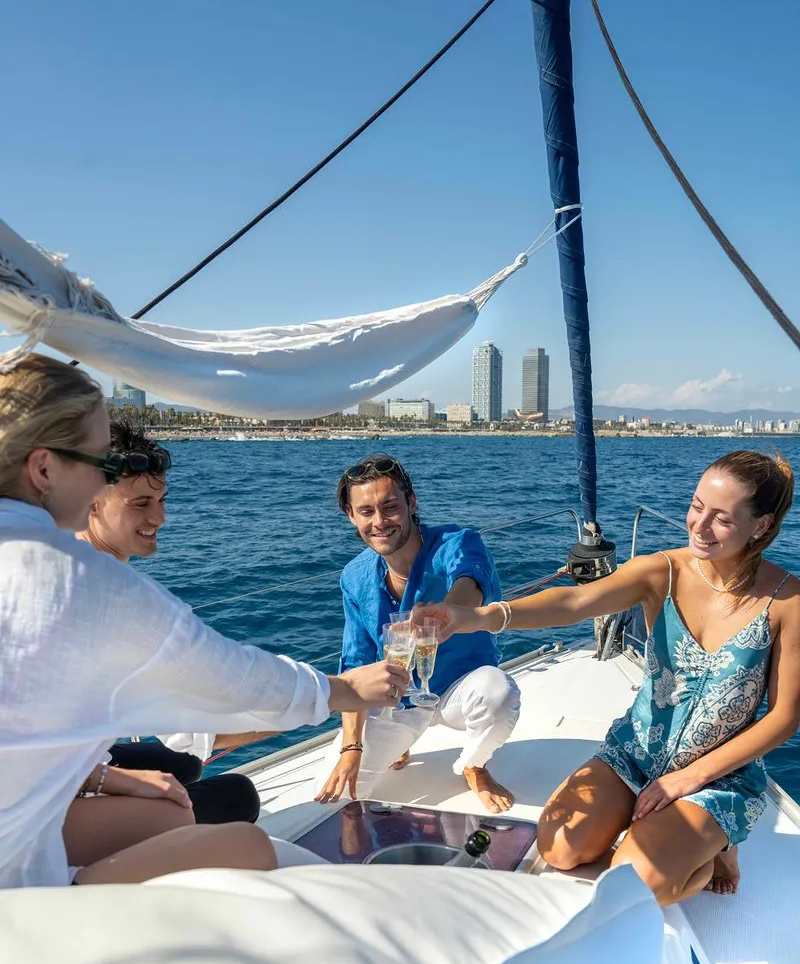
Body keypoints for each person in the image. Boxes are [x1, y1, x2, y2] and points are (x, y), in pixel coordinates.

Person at [0, 354, 408, 888]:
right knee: (246, 839)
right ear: (44, 469)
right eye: (100, 464)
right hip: (18, 884)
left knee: (178, 796)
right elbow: (232, 675)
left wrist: (104, 776)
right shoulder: (81, 581)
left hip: (34, 818)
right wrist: (344, 690)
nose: (106, 480)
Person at [413, 451, 800, 906]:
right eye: (697, 506)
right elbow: (574, 603)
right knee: (559, 847)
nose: (699, 525)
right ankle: (662, 830)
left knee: (632, 884)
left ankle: (720, 847)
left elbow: (784, 718)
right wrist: (476, 617)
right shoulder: (663, 572)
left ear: (761, 525)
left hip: (717, 775)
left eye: (722, 518)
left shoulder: (788, 602)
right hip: (637, 752)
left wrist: (686, 779)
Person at [72, 415, 266, 828]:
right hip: (47, 798)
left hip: (68, 763)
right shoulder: (106, 598)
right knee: (237, 795)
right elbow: (196, 721)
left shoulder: (66, 560)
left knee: (185, 761)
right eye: (141, 504)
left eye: (161, 500)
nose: (160, 518)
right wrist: (323, 701)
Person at [314, 454, 520, 814]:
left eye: (390, 507)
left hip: (458, 691)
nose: (380, 522)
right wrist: (352, 747)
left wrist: (450, 613)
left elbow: (470, 583)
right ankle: (400, 742)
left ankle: (474, 765)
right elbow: (356, 664)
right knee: (331, 799)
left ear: (411, 503)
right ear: (351, 516)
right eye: (366, 512)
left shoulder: (458, 543)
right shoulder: (354, 577)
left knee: (498, 693)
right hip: (396, 701)